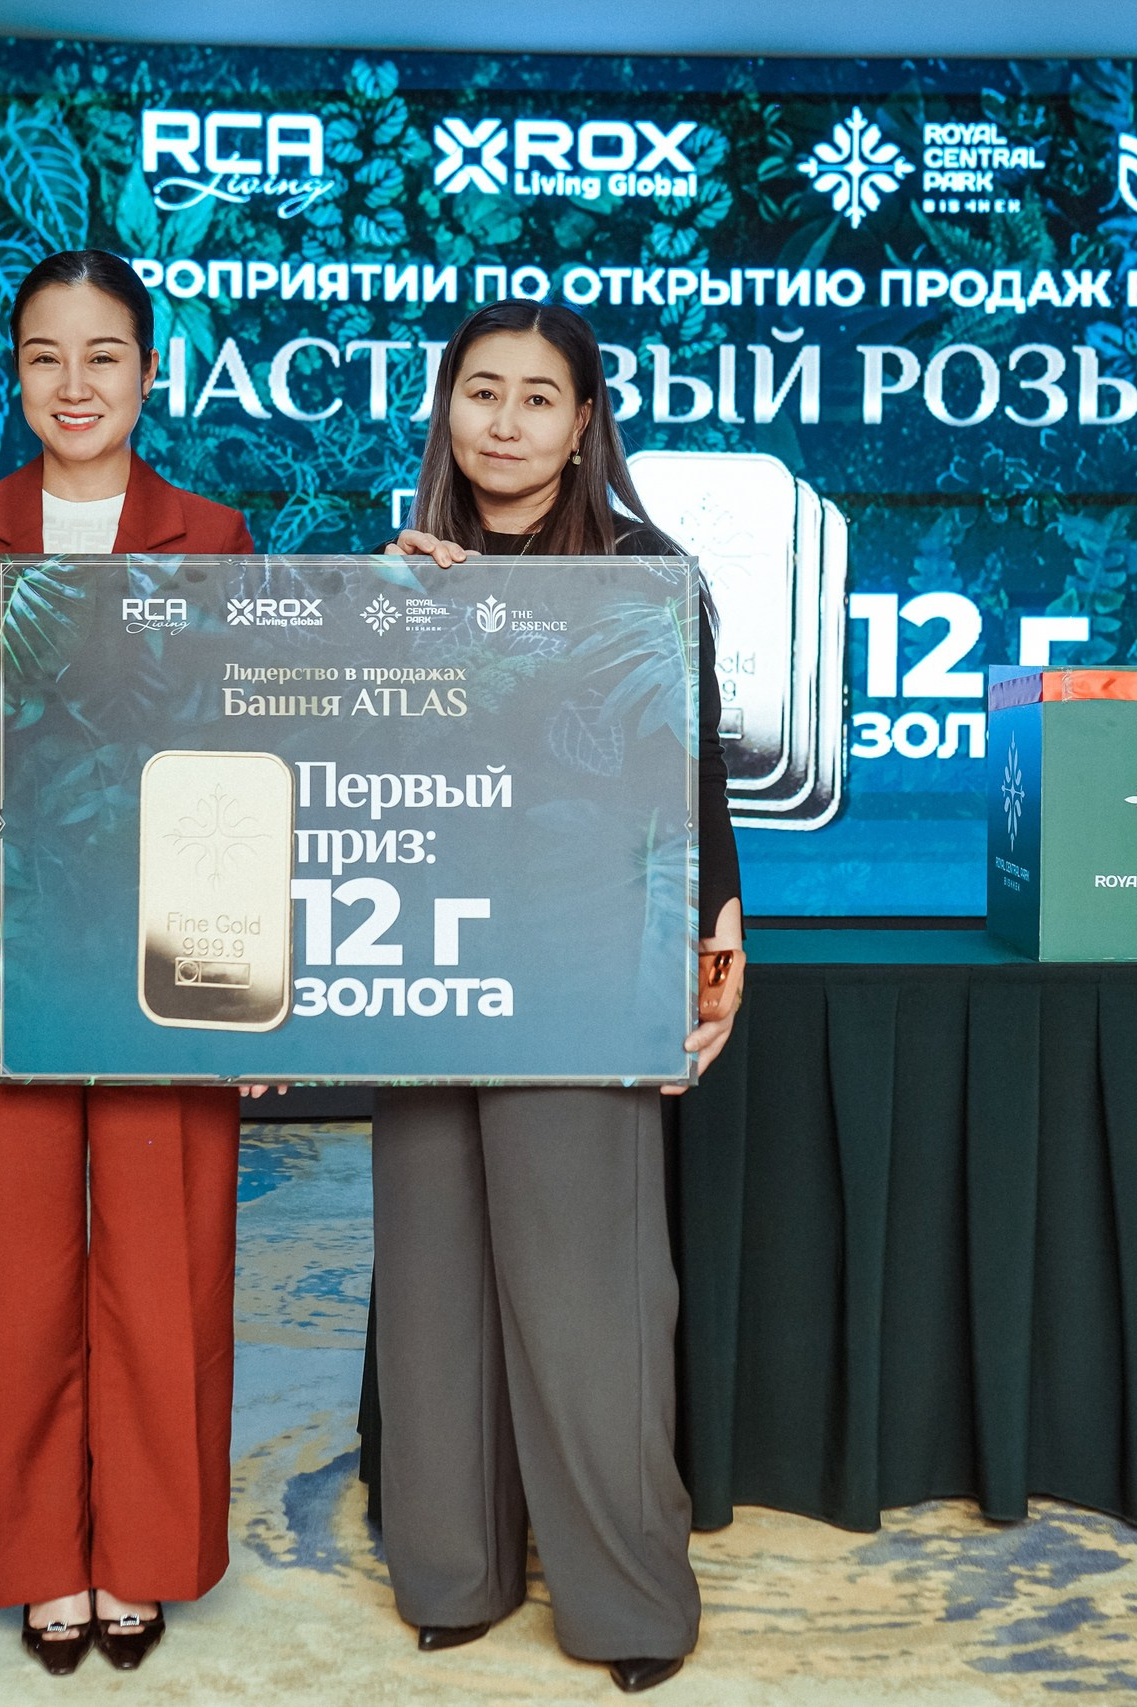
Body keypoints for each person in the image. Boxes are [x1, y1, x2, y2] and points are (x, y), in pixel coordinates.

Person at [0, 250, 258, 1678]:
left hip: (163, 959)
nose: (73, 385)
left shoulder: (215, 535)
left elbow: (246, 759)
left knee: (166, 1272)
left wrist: (248, 994)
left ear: (150, 372)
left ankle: (143, 1555)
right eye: (44, 357)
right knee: (8, 1282)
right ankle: (35, 1561)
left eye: (103, 356)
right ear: (15, 374)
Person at [371, 299, 745, 1695]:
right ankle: (451, 1574)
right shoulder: (398, 575)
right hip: (420, 959)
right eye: (483, 391)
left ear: (585, 423)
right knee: (434, 1288)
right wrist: (379, 622)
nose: (507, 421)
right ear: (446, 408)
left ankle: (627, 1601)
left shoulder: (645, 576)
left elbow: (691, 772)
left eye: (539, 397)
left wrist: (717, 931)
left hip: (583, 959)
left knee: (590, 1295)